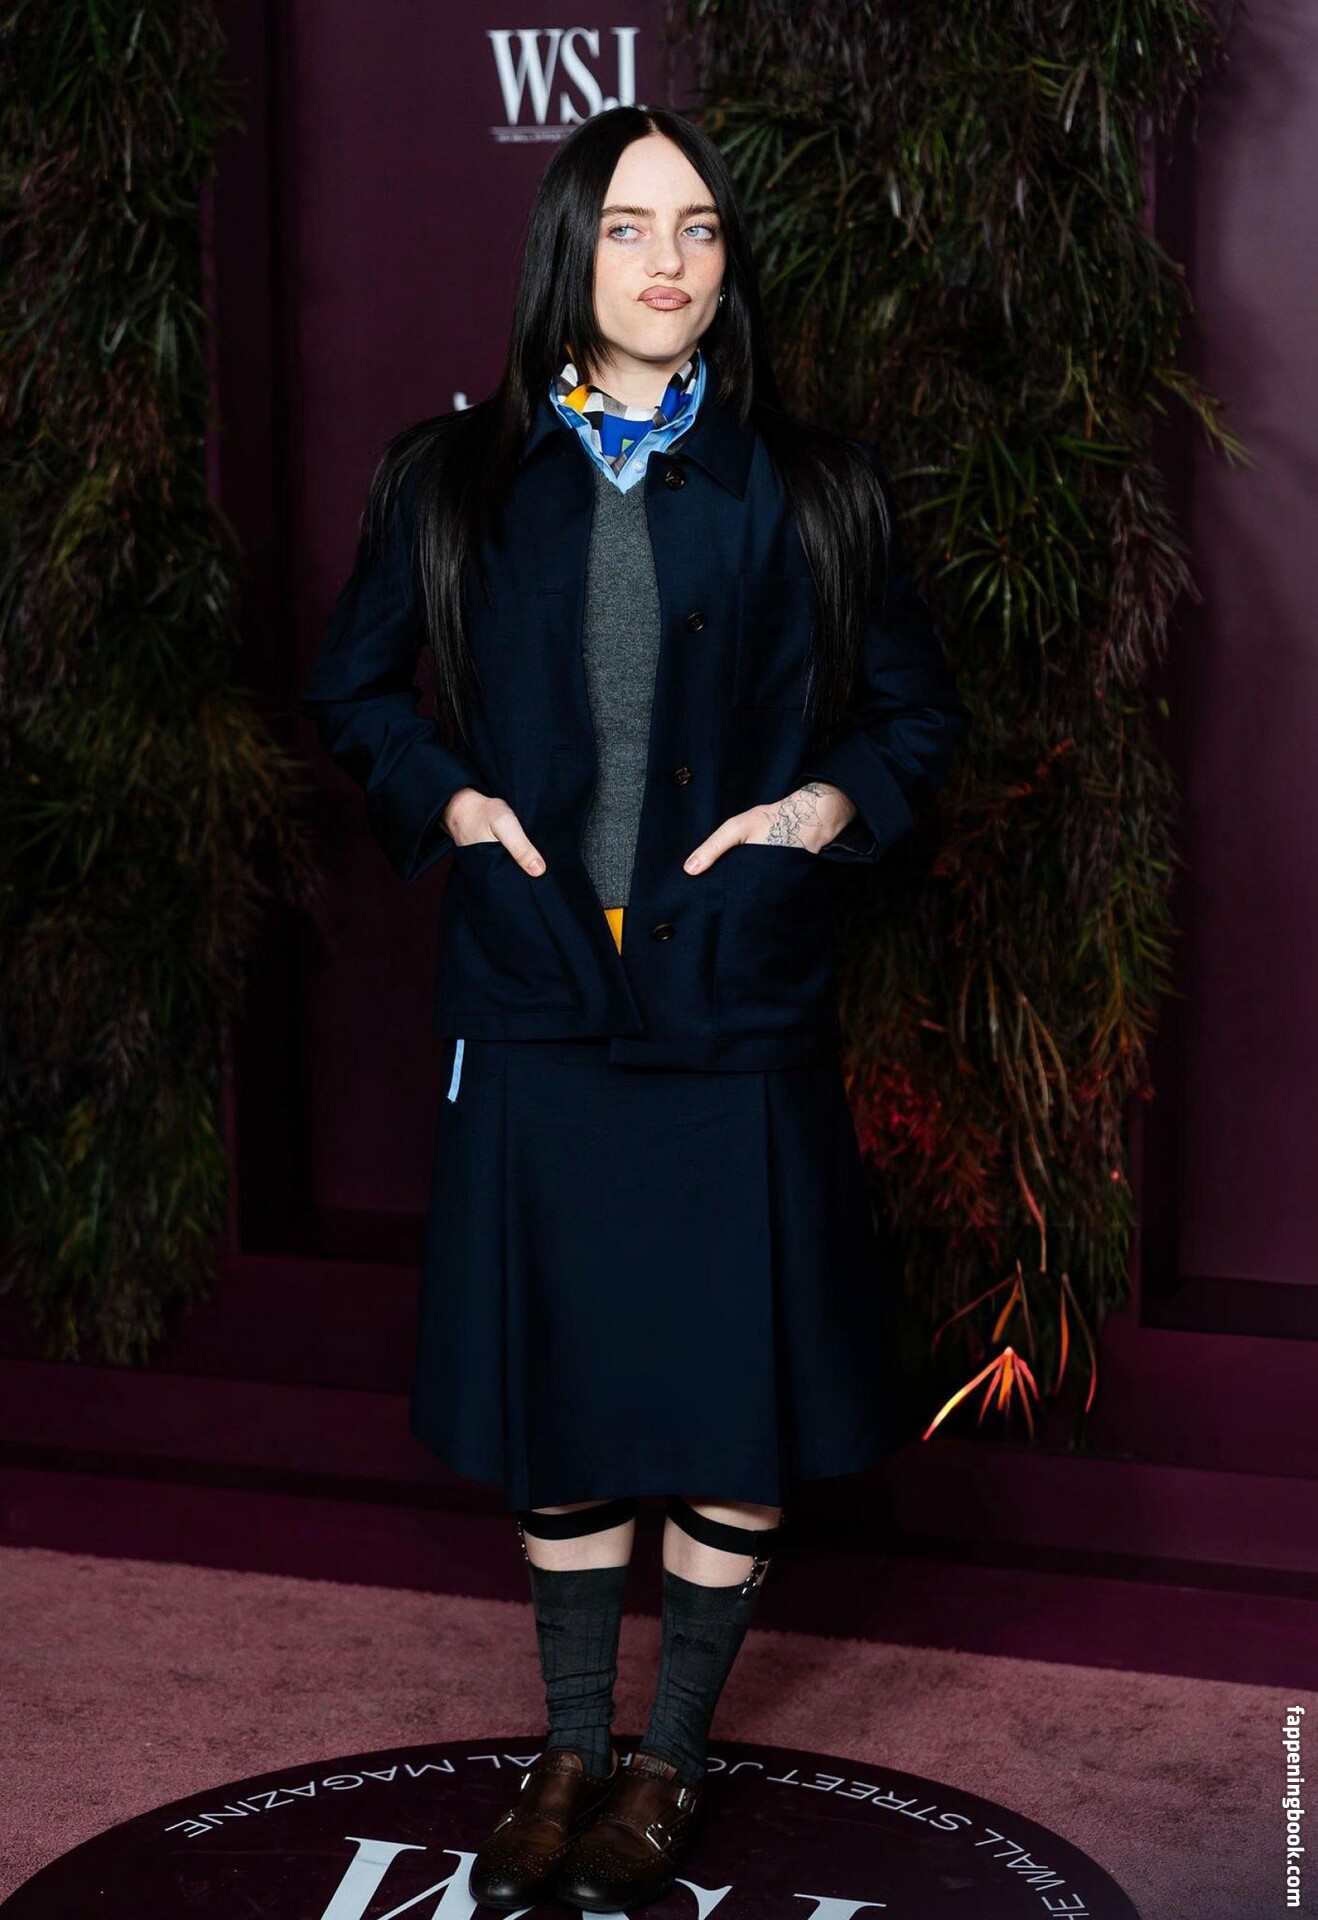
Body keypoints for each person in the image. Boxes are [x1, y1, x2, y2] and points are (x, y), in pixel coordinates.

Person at [299, 102, 970, 1917]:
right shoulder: (449, 480)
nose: (668, 262)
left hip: (736, 995)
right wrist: (453, 805)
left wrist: (813, 815)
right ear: (564, 253)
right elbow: (353, 692)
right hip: (537, 992)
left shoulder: (811, 488)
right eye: (625, 227)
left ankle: (669, 1759)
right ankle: (569, 1747)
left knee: (726, 1401)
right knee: (569, 1392)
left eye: (697, 228)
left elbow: (912, 718)